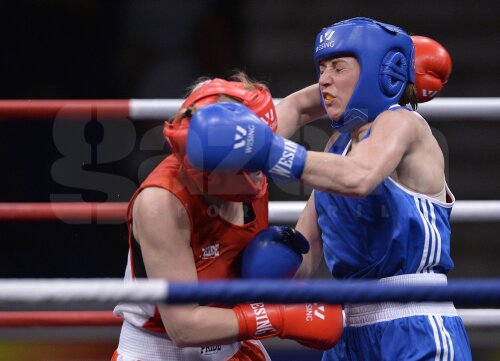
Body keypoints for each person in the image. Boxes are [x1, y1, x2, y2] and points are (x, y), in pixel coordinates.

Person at [186, 17, 471, 360]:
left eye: (338, 66)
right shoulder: (337, 147)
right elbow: (306, 254)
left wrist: (268, 151)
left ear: (374, 72)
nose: (324, 79)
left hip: (414, 323)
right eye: (321, 67)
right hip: (349, 331)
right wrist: (274, 267)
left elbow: (360, 177)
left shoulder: (402, 123)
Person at [111, 73, 343, 361]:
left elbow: (301, 105)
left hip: (235, 346)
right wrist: (278, 317)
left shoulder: (249, 145)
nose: (266, 164)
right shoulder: (162, 204)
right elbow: (183, 327)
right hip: (162, 352)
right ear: (216, 165)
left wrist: (378, 80)